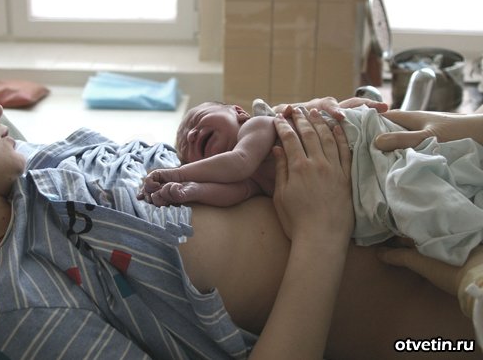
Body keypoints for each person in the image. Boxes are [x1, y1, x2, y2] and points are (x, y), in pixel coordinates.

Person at [0, 37, 479, 360]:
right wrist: (321, 229)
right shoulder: (7, 312)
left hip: (412, 182)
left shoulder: (42, 165)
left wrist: (249, 128)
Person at [140, 99, 483, 266]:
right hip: (359, 185)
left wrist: (177, 173)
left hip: (366, 149)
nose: (192, 134)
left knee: (419, 183)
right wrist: (188, 191)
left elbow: (239, 163)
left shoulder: (259, 126)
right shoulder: (255, 179)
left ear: (237, 111)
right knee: (423, 205)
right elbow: (236, 191)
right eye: (186, 148)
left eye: (198, 120)